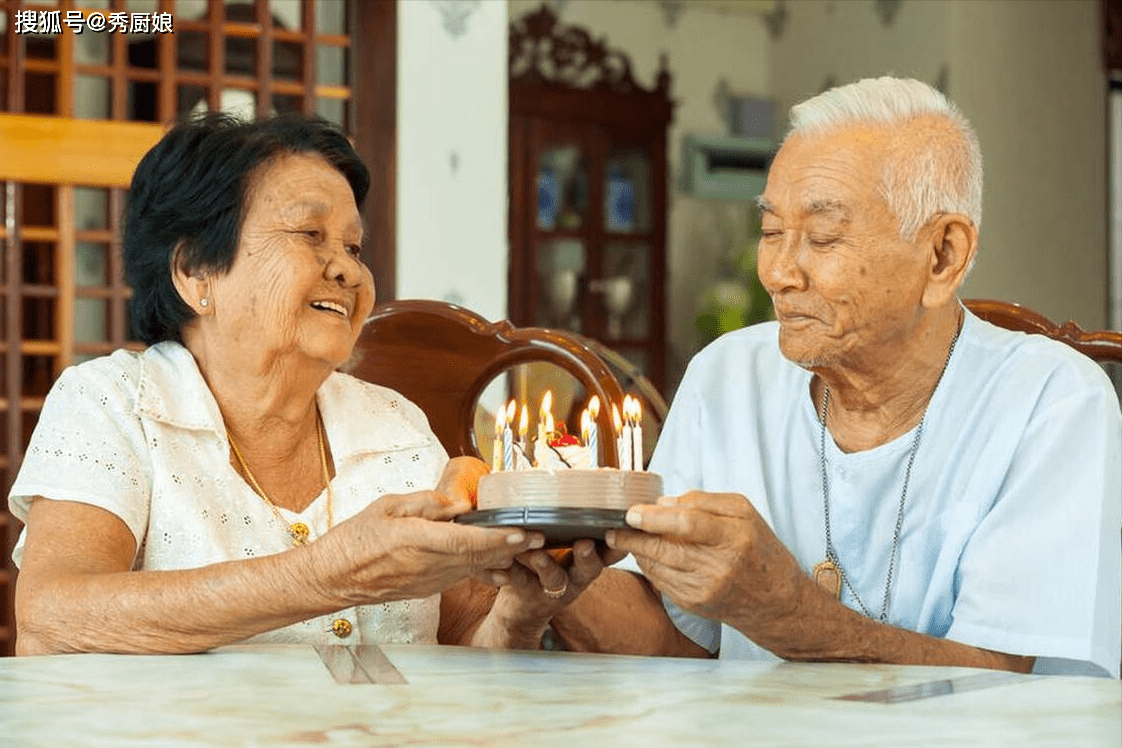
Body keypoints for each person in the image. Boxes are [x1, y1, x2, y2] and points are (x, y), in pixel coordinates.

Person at [550, 76, 1122, 678]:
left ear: (943, 255)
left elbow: (1002, 690)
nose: (776, 272)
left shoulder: (1054, 404)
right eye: (771, 232)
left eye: (822, 237)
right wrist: (554, 569)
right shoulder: (727, 376)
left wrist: (786, 611)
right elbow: (678, 641)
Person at [8, 112, 583, 655]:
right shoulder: (112, 403)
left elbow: (463, 643)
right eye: (310, 233)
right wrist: (329, 574)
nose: (348, 270)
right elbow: (52, 616)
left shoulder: (395, 424)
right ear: (195, 272)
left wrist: (519, 614)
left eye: (354, 247)